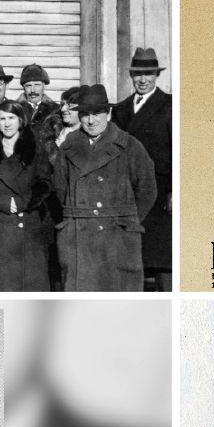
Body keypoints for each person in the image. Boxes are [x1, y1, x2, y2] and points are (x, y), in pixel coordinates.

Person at [53, 83, 157, 291]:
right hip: (78, 236)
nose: (91, 121)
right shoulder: (68, 147)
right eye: (84, 114)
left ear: (108, 114)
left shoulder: (129, 146)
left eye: (97, 113)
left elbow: (147, 190)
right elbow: (60, 188)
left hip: (117, 237)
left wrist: (126, 221)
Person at [0, 99, 53, 291]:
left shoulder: (34, 146)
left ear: (21, 120)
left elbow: (45, 181)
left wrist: (24, 201)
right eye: (2, 119)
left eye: (11, 118)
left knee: (28, 288)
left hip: (28, 227)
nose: (7, 123)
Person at [112, 47, 172, 291]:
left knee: (161, 258)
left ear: (156, 76)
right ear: (131, 76)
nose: (143, 80)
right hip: (127, 192)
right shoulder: (121, 109)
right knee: (132, 256)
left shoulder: (169, 106)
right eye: (138, 74)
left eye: (148, 74)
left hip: (159, 194)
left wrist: (174, 192)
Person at [17, 63, 58, 130]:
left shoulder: (55, 110)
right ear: (23, 88)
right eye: (28, 86)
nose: (33, 90)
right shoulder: (15, 109)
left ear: (44, 86)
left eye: (37, 85)